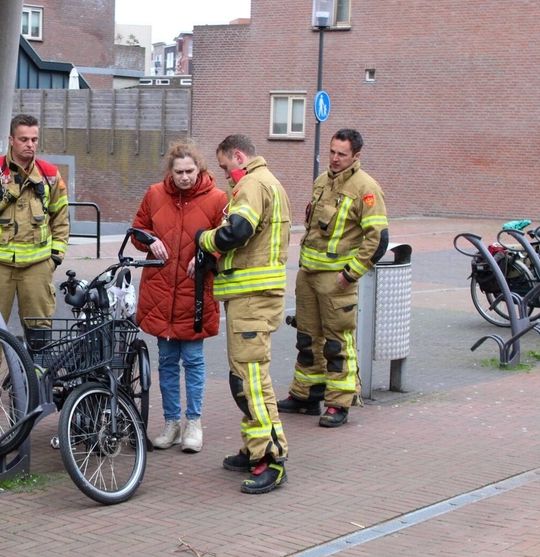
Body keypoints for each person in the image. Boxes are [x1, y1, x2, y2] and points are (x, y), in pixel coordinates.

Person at [195, 134, 291, 494]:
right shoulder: (269, 183)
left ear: (239, 156)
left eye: (224, 166)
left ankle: (271, 458)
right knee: (244, 380)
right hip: (252, 298)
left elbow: (237, 231)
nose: (224, 175)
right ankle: (255, 449)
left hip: (252, 300)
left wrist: (204, 239)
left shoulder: (252, 183)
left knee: (252, 382)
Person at [277, 128, 389, 428]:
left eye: (342, 154)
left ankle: (339, 403)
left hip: (336, 281)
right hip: (309, 275)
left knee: (337, 343)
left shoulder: (366, 188)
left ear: (356, 156)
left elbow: (378, 239)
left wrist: (350, 274)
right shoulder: (322, 181)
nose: (335, 158)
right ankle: (306, 395)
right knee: (307, 338)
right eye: (332, 152)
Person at [130, 141, 226, 453]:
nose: (184, 177)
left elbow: (225, 239)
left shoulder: (217, 199)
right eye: (179, 172)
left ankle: (193, 422)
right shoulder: (155, 194)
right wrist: (149, 240)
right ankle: (171, 423)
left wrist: (207, 255)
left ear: (200, 169)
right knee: (167, 361)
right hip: (161, 290)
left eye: (189, 171)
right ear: (170, 171)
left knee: (194, 360)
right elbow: (137, 230)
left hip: (194, 292)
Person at [0, 114, 70, 343]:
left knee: (39, 331)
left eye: (34, 139)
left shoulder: (50, 175)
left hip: (38, 266)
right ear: (11, 140)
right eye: (24, 139)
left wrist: (55, 257)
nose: (30, 144)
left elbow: (61, 218)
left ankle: (35, 368)